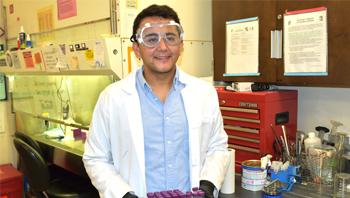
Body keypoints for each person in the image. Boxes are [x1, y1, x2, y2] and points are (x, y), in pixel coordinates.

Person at [83, 4, 230, 198]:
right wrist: (123, 194)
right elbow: (96, 158)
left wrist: (208, 184)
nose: (162, 47)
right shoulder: (111, 98)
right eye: (151, 39)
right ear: (136, 49)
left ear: (181, 45)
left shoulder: (205, 93)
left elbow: (217, 146)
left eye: (170, 38)